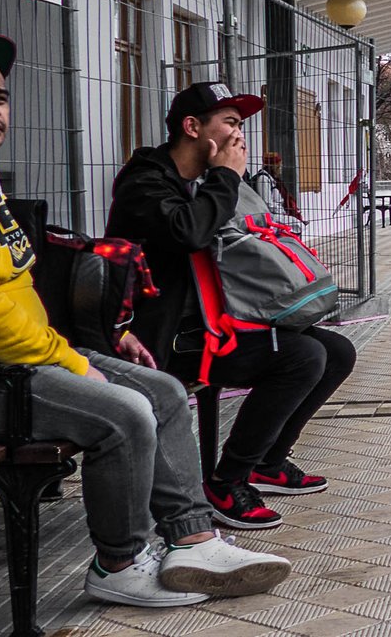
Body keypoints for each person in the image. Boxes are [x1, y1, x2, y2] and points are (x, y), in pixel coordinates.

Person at [0, 34, 290, 607]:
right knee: (124, 412)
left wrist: (101, 336)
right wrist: (70, 360)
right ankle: (117, 562)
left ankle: (193, 538)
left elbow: (19, 285)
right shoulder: (148, 179)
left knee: (165, 392)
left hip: (18, 358)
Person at [107, 82, 356, 531]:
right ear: (192, 127)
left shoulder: (199, 182)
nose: (241, 137)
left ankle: (267, 461)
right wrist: (226, 178)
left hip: (214, 323)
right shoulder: (144, 183)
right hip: (165, 340)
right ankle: (226, 481)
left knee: (337, 351)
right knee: (303, 357)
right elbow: (188, 232)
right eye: (231, 124)